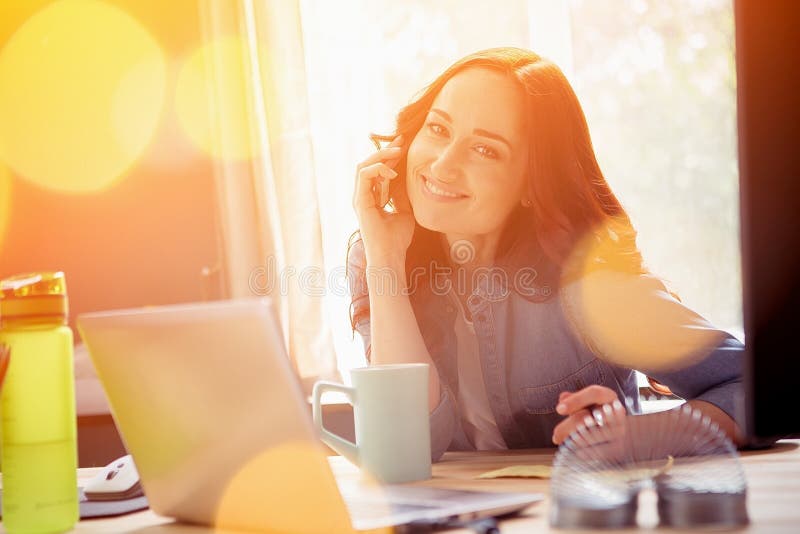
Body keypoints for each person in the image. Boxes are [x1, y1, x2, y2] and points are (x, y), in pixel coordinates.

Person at [347, 47, 743, 461]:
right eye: (438, 129)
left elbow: (766, 389)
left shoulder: (587, 286)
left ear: (531, 185)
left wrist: (643, 436)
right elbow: (408, 443)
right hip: (457, 521)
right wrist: (385, 261)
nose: (443, 166)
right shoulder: (380, 255)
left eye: (485, 149)